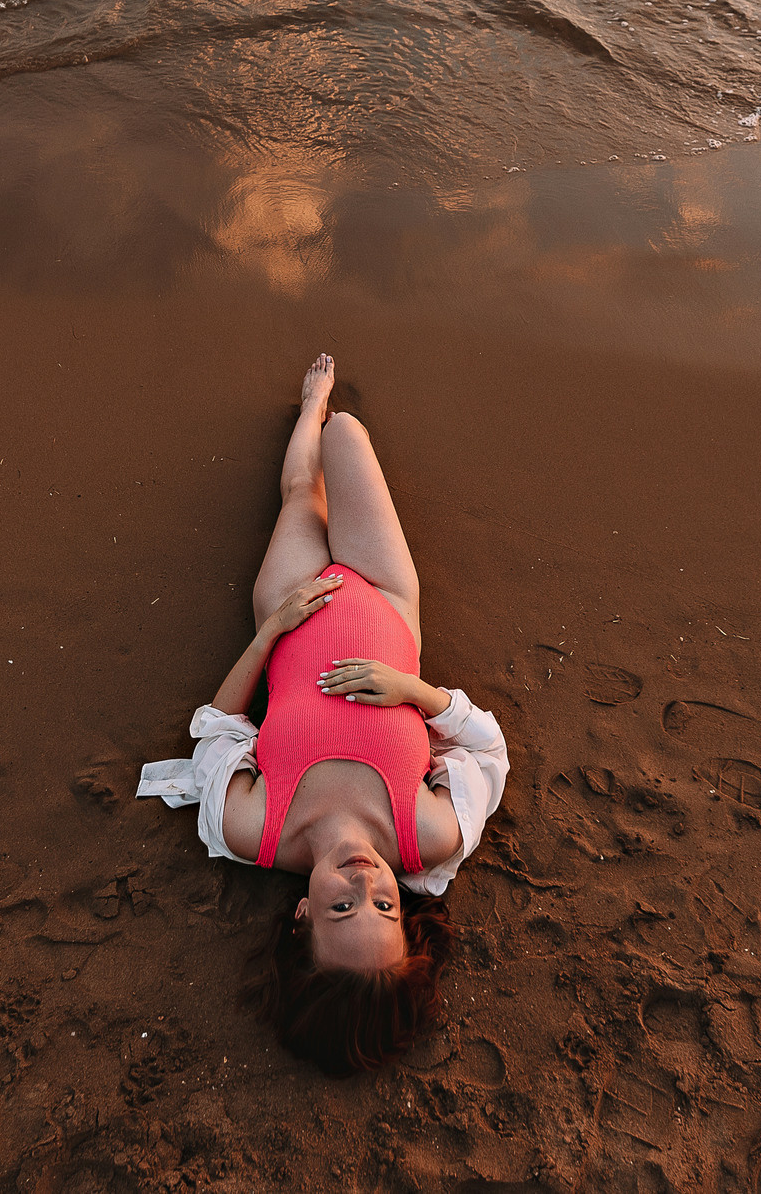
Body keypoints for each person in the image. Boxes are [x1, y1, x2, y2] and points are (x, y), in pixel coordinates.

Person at [137, 355, 510, 1075]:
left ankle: (310, 401)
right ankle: (326, 417)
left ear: (300, 917)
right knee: (350, 438)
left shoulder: (257, 828)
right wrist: (415, 691)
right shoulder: (425, 834)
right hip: (387, 599)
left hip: (294, 595)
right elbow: (489, 747)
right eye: (385, 908)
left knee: (303, 486)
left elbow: (216, 726)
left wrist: (272, 628)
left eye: (343, 909)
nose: (365, 881)